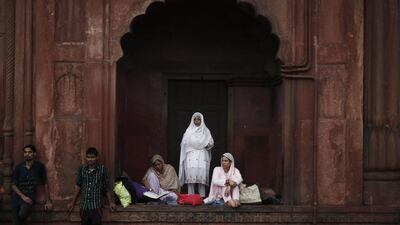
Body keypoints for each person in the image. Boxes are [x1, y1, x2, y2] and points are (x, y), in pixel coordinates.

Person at [68, 147, 116, 225]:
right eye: (88, 157)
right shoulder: (82, 169)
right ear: (86, 158)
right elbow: (78, 186)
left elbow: (106, 187)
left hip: (96, 206)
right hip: (84, 206)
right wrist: (72, 202)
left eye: (92, 157)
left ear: (97, 158)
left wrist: (110, 202)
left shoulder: (102, 170)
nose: (90, 159)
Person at [11, 144, 53, 225]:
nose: (27, 154)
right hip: (17, 197)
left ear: (34, 154)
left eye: (30, 152)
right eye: (25, 152)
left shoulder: (39, 167)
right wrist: (23, 197)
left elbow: (45, 183)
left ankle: (27, 217)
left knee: (22, 214)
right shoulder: (19, 167)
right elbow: (13, 185)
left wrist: (48, 201)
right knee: (15, 221)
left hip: (30, 198)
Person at [179, 112, 214, 197]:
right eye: (195, 119)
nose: (196, 121)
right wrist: (195, 144)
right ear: (192, 120)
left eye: (198, 119)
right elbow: (184, 143)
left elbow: (211, 142)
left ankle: (202, 197)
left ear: (202, 120)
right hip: (191, 155)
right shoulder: (188, 131)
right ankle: (190, 196)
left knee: (201, 178)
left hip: (202, 155)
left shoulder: (206, 131)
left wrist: (203, 145)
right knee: (191, 177)